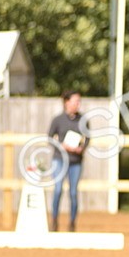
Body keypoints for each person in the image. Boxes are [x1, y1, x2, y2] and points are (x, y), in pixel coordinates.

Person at [48, 90, 88, 231]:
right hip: (60, 159)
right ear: (66, 102)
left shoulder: (83, 120)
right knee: (58, 190)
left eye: (79, 101)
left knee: (73, 193)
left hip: (76, 161)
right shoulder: (58, 120)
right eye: (75, 101)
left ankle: (72, 223)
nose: (78, 104)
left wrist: (81, 148)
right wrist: (61, 146)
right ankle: (54, 221)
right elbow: (50, 137)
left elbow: (87, 139)